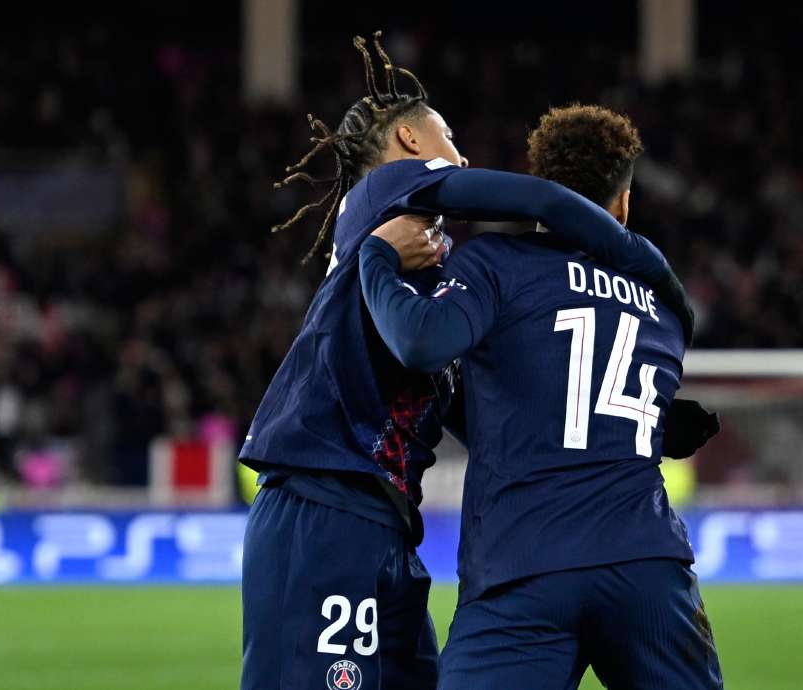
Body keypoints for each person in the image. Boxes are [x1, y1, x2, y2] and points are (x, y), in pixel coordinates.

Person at [238, 35, 696, 690]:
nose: (463, 155)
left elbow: (480, 410)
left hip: (382, 516)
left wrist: (624, 421)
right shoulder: (385, 191)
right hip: (324, 496)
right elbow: (538, 202)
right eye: (449, 137)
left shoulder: (426, 269)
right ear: (409, 139)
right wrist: (650, 268)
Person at [361, 104, 722, 689]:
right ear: (624, 204)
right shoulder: (665, 307)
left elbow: (425, 344)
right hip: (647, 567)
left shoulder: (494, 264)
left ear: (541, 192)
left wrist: (374, 257)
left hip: (522, 566)